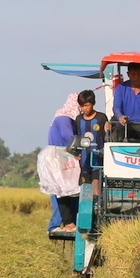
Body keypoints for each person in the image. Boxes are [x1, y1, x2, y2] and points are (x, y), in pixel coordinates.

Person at [42, 95, 81, 232]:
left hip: (55, 155)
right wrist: (78, 152)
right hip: (59, 157)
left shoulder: (59, 116)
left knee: (58, 190)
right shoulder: (65, 118)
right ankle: (56, 225)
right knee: (62, 192)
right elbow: (68, 137)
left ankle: (61, 224)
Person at [75, 89, 109, 197]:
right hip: (83, 161)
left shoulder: (101, 117)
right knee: (86, 188)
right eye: (82, 106)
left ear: (93, 103)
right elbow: (76, 138)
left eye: (86, 105)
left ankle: (99, 208)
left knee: (96, 183)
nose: (84, 108)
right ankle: (88, 211)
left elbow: (107, 136)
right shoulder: (78, 119)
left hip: (98, 159)